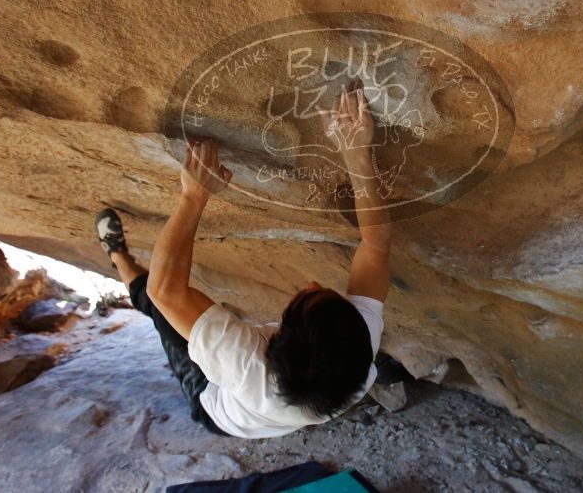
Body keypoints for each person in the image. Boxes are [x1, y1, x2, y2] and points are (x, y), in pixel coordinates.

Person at [94, 82, 393, 438]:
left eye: (302, 298)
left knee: (159, 310)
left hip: (216, 408)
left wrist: (193, 197)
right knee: (184, 315)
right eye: (324, 293)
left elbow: (166, 292)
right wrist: (357, 154)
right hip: (283, 399)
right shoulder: (355, 352)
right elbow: (376, 244)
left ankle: (119, 257)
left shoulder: (245, 363)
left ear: (273, 340)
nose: (312, 283)